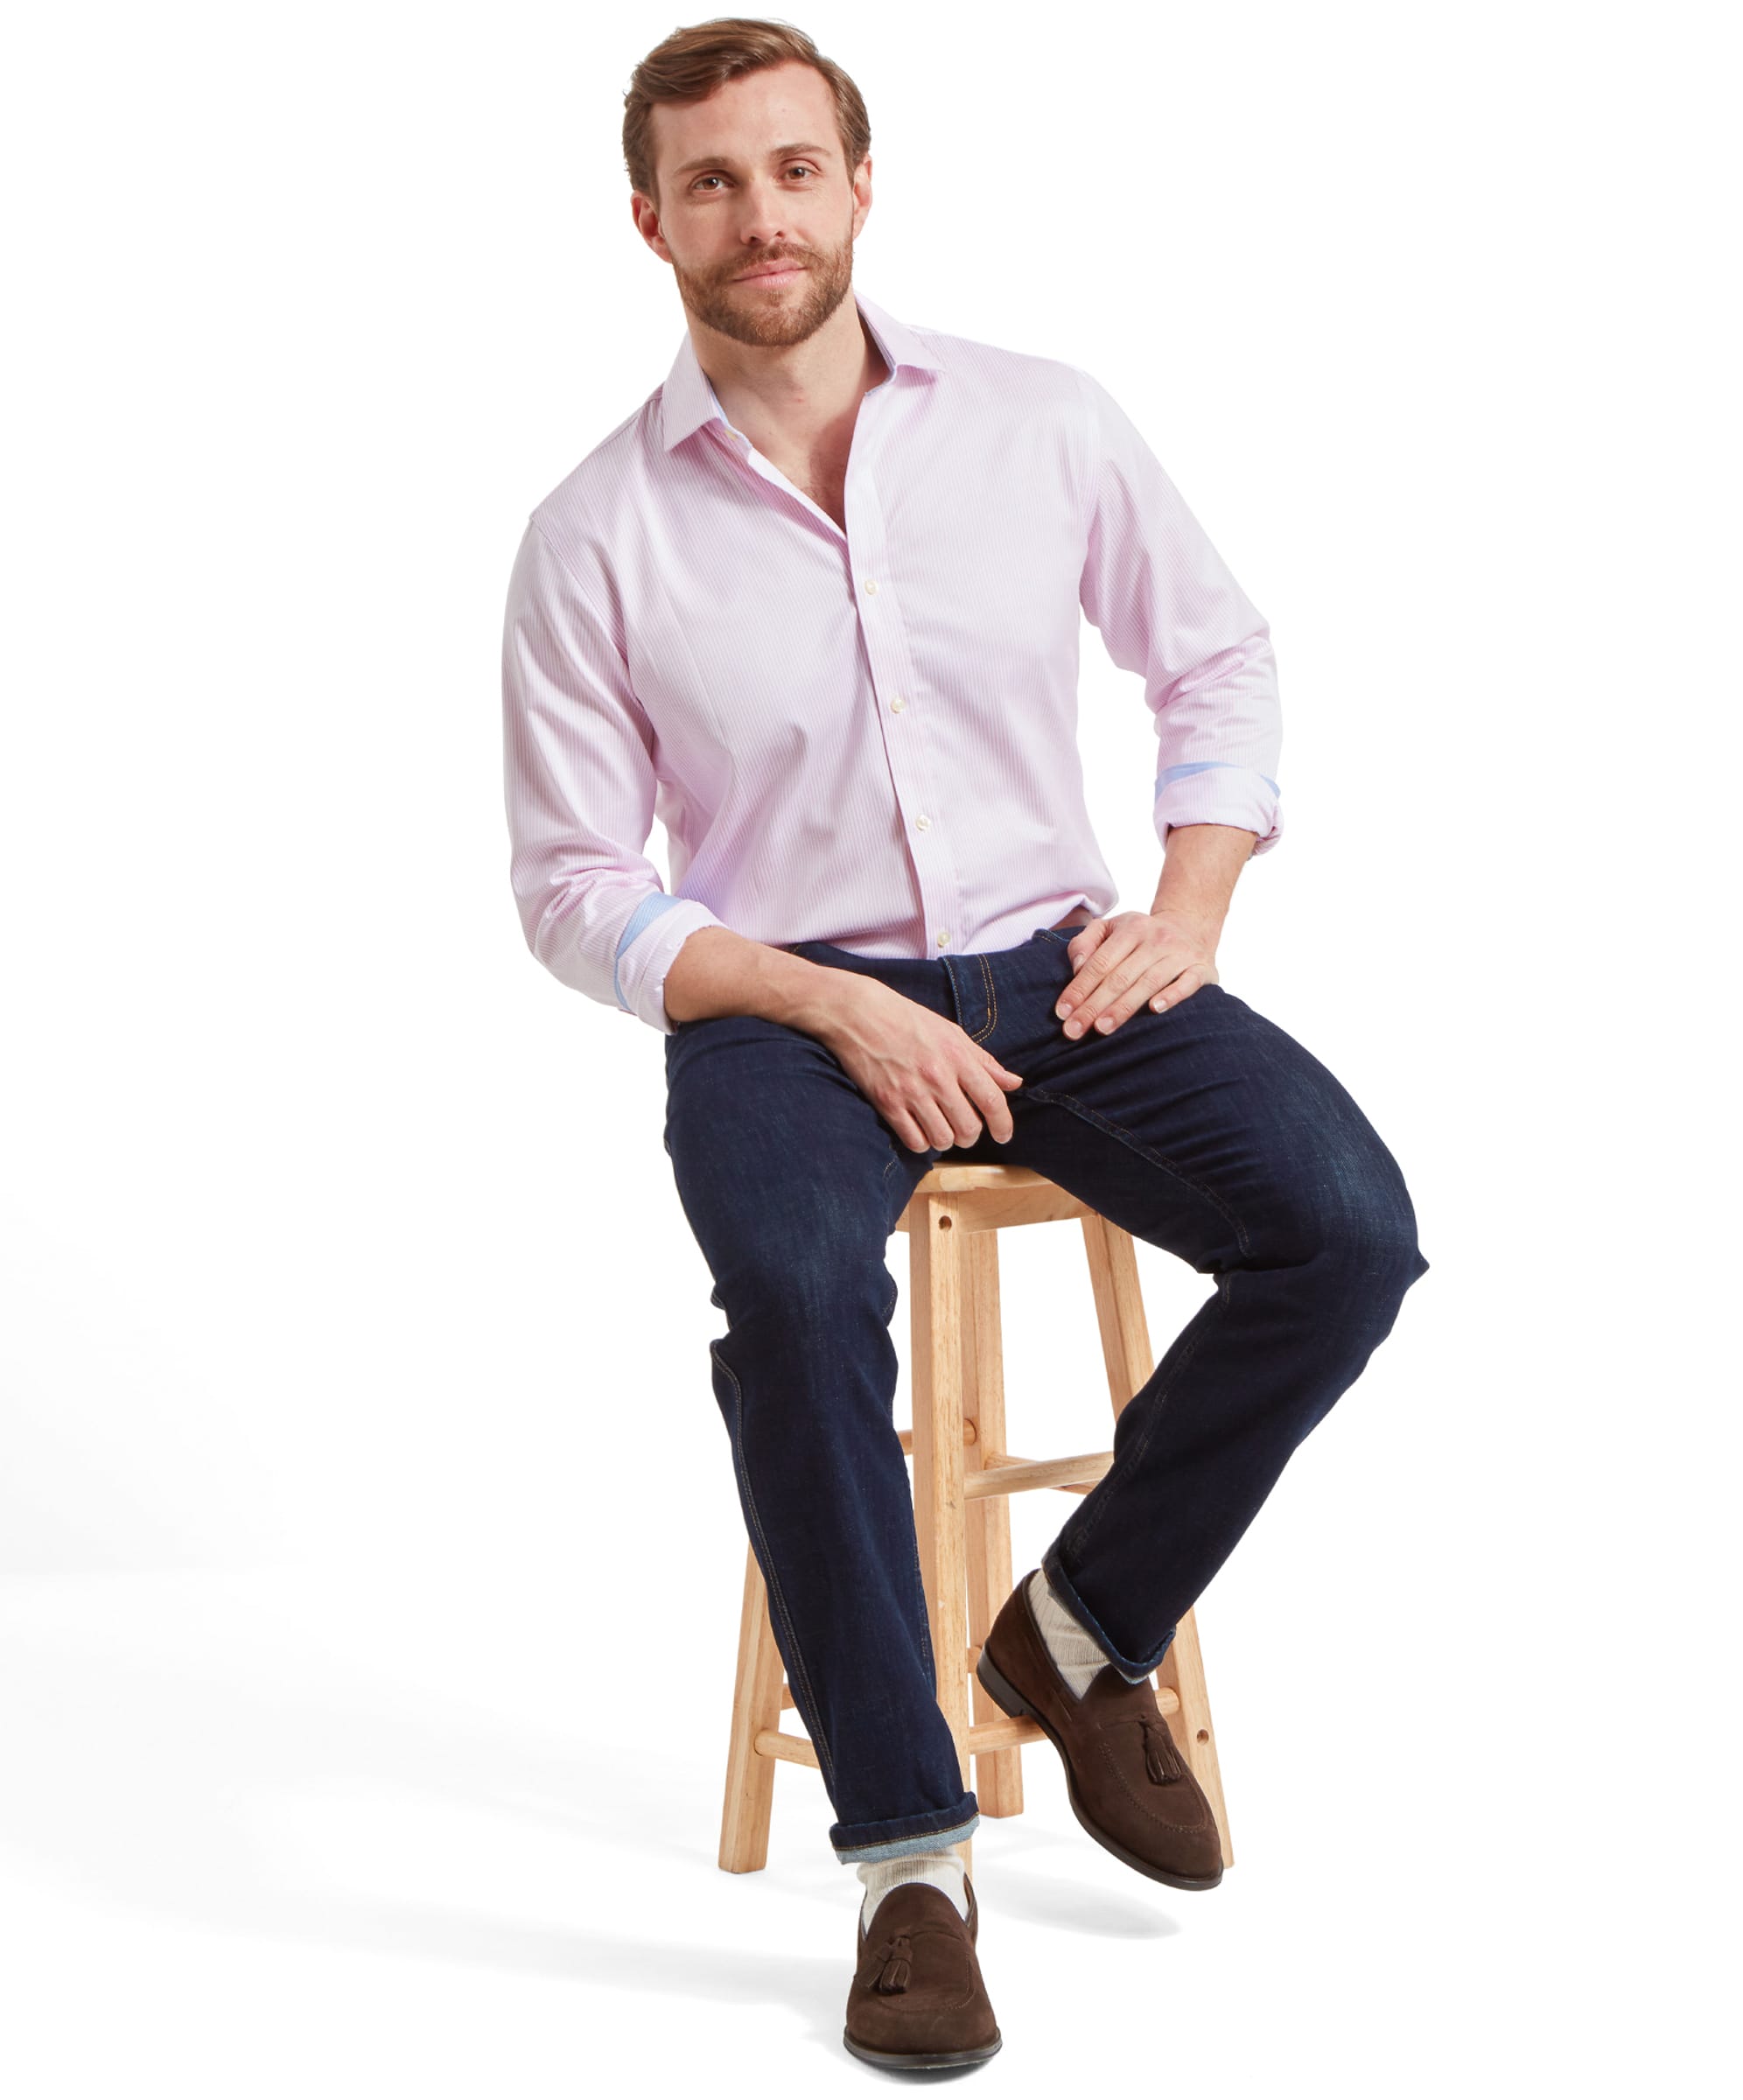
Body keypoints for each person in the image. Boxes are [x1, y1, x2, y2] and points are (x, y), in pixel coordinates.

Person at [500, 15, 1429, 2071]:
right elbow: (574, 884)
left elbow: (1219, 655)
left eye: (796, 167)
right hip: (783, 1015)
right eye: (715, 180)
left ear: (858, 186)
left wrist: (1188, 910)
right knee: (796, 1292)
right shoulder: (594, 535)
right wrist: (821, 996)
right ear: (648, 218)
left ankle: (1081, 1624)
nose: (762, 213)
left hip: (1062, 975)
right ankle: (912, 1865)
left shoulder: (1042, 422)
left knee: (1351, 1231)